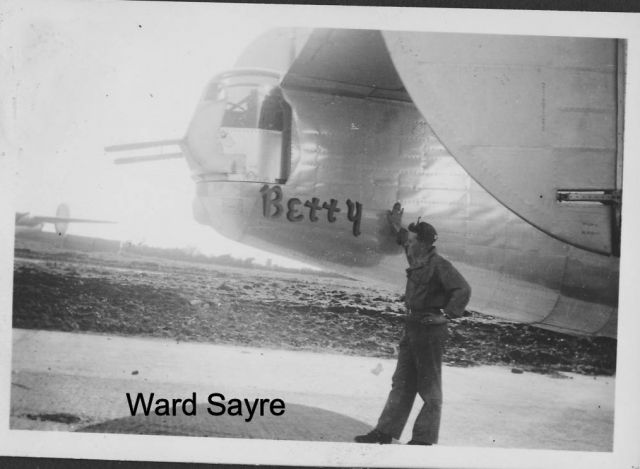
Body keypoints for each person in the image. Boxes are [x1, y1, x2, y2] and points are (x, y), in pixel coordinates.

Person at [355, 203, 471, 445]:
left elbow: (463, 289)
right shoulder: (417, 255)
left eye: (414, 240)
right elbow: (403, 239)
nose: (410, 243)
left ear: (425, 243)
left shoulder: (440, 265)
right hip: (413, 325)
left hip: (431, 328)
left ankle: (423, 439)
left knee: (429, 388)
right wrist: (396, 223)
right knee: (402, 382)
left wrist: (446, 316)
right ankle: (384, 432)